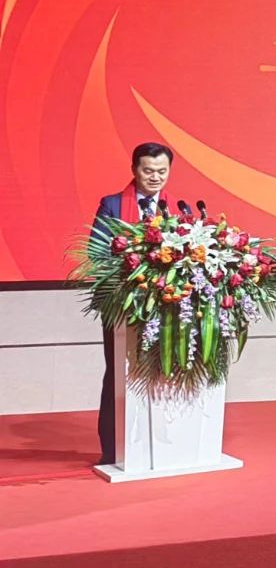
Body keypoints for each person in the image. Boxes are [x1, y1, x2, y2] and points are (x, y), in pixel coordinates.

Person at [90, 142, 174, 465]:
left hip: (163, 305)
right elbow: (97, 252)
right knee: (117, 374)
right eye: (148, 170)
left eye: (162, 171)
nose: (155, 177)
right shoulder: (112, 205)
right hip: (121, 304)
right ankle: (113, 449)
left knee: (160, 372)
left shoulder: (173, 208)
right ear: (134, 170)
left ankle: (155, 447)